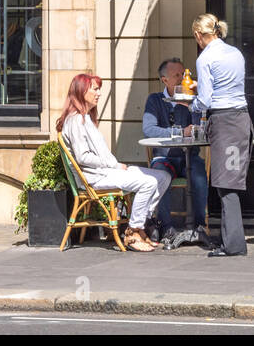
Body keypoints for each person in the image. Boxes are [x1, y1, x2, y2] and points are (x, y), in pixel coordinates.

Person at [57, 73, 170, 253]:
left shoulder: (85, 119)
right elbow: (83, 157)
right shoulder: (76, 120)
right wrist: (115, 165)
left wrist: (115, 166)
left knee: (163, 176)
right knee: (148, 182)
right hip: (96, 177)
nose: (99, 93)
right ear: (81, 91)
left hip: (107, 171)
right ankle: (132, 232)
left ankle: (141, 224)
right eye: (95, 88)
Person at [188, 13, 252, 258]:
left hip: (224, 122)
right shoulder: (235, 53)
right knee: (231, 182)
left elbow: (204, 100)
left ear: (198, 35)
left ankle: (234, 245)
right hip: (241, 119)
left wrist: (189, 104)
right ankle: (231, 239)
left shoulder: (205, 58)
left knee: (226, 185)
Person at [143, 57, 208, 239]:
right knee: (160, 176)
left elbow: (200, 128)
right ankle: (166, 226)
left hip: (189, 156)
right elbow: (149, 130)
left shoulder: (193, 99)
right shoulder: (155, 100)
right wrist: (178, 132)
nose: (182, 79)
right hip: (164, 157)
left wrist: (190, 105)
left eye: (183, 74)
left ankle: (199, 226)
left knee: (199, 177)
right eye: (177, 75)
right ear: (165, 80)